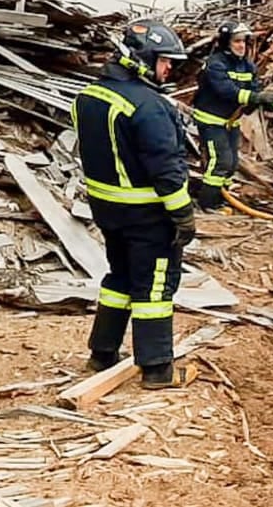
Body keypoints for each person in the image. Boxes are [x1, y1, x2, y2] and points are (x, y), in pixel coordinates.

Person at [72, 19, 197, 389]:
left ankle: (102, 353)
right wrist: (183, 216)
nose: (169, 69)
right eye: (164, 61)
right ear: (142, 59)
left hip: (107, 211)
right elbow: (167, 169)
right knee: (155, 288)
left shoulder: (90, 97)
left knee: (119, 278)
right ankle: (157, 367)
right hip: (148, 216)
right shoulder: (148, 107)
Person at [192, 21, 273, 211]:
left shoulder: (247, 66)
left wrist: (263, 101)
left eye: (244, 41)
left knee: (232, 163)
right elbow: (226, 91)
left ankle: (222, 195)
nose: (242, 45)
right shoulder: (215, 64)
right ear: (226, 43)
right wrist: (255, 97)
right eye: (236, 41)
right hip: (211, 121)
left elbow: (253, 88)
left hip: (231, 121)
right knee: (220, 162)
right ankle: (208, 204)